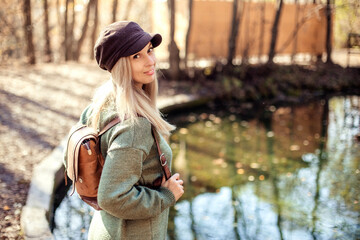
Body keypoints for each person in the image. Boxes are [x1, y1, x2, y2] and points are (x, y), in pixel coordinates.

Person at [80, 21, 184, 239]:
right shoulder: (134, 127)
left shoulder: (98, 105)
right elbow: (111, 197)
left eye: (149, 50)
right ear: (120, 64)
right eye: (136, 56)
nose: (150, 61)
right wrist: (166, 196)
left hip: (106, 228)